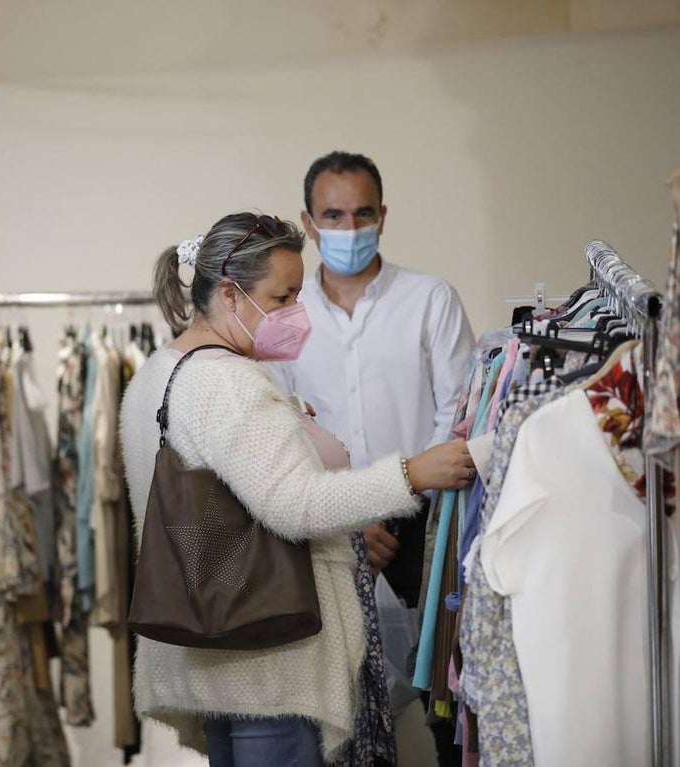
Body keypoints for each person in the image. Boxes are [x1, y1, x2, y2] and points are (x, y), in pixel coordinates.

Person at [119, 211, 476, 767]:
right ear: (232, 296)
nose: (294, 313)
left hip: (214, 652)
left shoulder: (158, 373)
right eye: (282, 296)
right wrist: (412, 473)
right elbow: (297, 505)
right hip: (267, 662)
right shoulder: (227, 381)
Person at [265, 151, 475, 765]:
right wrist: (353, 516)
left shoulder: (430, 299)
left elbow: (456, 415)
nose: (349, 228)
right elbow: (280, 419)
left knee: (444, 701)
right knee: (333, 711)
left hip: (423, 527)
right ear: (308, 222)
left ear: (383, 216)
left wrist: (393, 500)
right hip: (325, 528)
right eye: (333, 215)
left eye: (362, 214)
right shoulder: (285, 311)